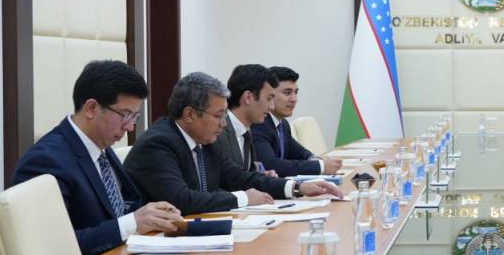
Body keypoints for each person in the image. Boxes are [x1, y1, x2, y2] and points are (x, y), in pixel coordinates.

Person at [10, 60, 182, 255]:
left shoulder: (101, 148)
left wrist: (155, 215)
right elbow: (52, 248)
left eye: (134, 117)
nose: (129, 127)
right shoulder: (45, 161)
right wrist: (132, 223)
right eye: (125, 115)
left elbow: (119, 209)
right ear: (91, 108)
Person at [125, 72, 342, 215]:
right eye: (218, 116)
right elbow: (183, 200)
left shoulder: (205, 140)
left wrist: (297, 187)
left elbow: (240, 177)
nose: (223, 124)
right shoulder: (158, 144)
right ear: (190, 114)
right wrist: (243, 198)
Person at [252, 66, 341, 176]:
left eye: (296, 92)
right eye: (287, 93)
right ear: (270, 94)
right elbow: (271, 164)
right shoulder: (258, 124)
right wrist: (320, 166)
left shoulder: (283, 124)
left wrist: (316, 160)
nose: (294, 99)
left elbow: (301, 153)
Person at [215, 64, 278, 174]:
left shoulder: (247, 131)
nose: (272, 107)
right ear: (248, 97)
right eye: (268, 99)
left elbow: (246, 175)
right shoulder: (218, 133)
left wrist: (261, 177)